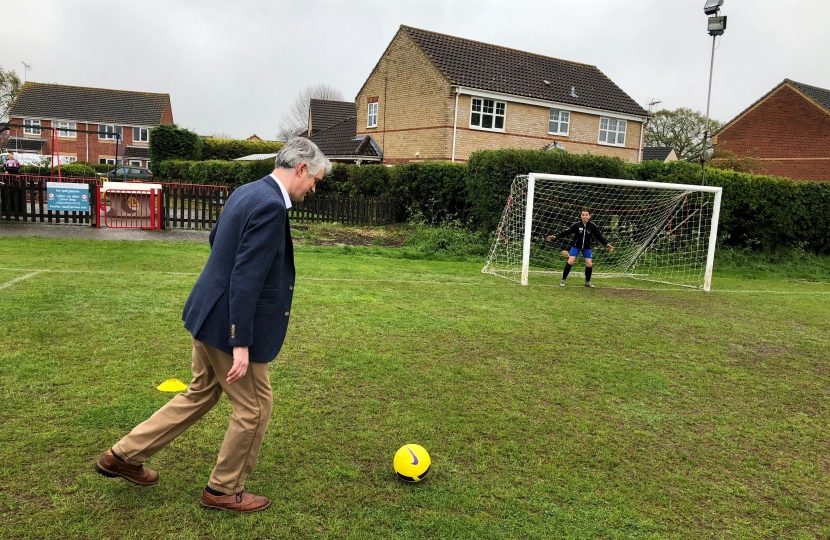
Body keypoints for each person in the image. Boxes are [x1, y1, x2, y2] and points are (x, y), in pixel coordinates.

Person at [94, 138, 331, 513]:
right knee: (253, 408)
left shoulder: (248, 191)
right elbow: (247, 276)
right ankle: (223, 490)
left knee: (201, 393)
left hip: (205, 311)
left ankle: (123, 455)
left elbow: (216, 240)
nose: (314, 187)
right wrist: (239, 341)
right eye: (315, 179)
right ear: (301, 168)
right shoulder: (270, 205)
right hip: (227, 325)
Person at [546, 208, 614, 288]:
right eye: (583, 215)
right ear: (580, 216)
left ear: (590, 216)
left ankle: (587, 282)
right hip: (576, 246)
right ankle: (563, 280)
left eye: (586, 215)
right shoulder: (576, 225)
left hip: (587, 248)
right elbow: (567, 232)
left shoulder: (593, 226)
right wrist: (555, 236)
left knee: (589, 264)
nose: (584, 216)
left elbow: (599, 236)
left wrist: (606, 244)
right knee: (570, 261)